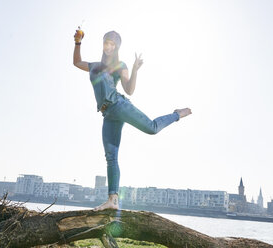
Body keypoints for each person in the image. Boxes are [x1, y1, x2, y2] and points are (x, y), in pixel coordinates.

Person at [73, 29, 192, 211]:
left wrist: (135, 69)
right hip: (107, 114)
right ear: (103, 43)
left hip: (120, 105)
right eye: (107, 43)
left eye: (113, 44)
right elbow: (76, 62)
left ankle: (177, 114)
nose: (109, 47)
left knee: (152, 128)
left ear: (117, 47)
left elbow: (129, 89)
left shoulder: (120, 65)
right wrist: (78, 42)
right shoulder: (94, 66)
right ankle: (113, 200)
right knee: (111, 158)